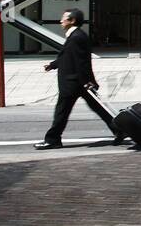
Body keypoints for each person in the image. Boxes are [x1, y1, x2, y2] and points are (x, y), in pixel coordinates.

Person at [34, 9, 124, 149]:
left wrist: (87, 81)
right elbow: (67, 57)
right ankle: (119, 130)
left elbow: (82, 62)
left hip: (74, 82)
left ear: (72, 21)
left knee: (61, 112)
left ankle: (53, 140)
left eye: (64, 19)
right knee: (98, 108)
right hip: (79, 82)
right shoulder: (75, 36)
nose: (60, 21)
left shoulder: (77, 37)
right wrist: (53, 65)